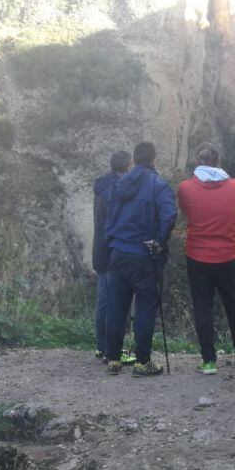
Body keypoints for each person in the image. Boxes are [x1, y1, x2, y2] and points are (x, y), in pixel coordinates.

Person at [177, 142, 235, 374]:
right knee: (234, 305)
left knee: (202, 308)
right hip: (227, 256)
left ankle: (209, 361)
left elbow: (186, 212)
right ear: (218, 161)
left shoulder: (186, 188)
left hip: (197, 257)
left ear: (198, 162)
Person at [103, 141, 178, 377]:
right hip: (144, 255)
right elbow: (169, 214)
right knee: (145, 308)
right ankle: (142, 362)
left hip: (118, 252)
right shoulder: (158, 185)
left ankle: (113, 359)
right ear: (154, 159)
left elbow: (109, 214)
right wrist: (159, 241)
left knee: (116, 306)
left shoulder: (119, 183)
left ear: (134, 161)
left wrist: (112, 241)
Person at [93, 151, 137, 366]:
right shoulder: (118, 190)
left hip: (100, 250)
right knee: (116, 303)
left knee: (103, 301)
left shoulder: (101, 187)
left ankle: (102, 347)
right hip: (115, 251)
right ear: (128, 167)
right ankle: (112, 350)